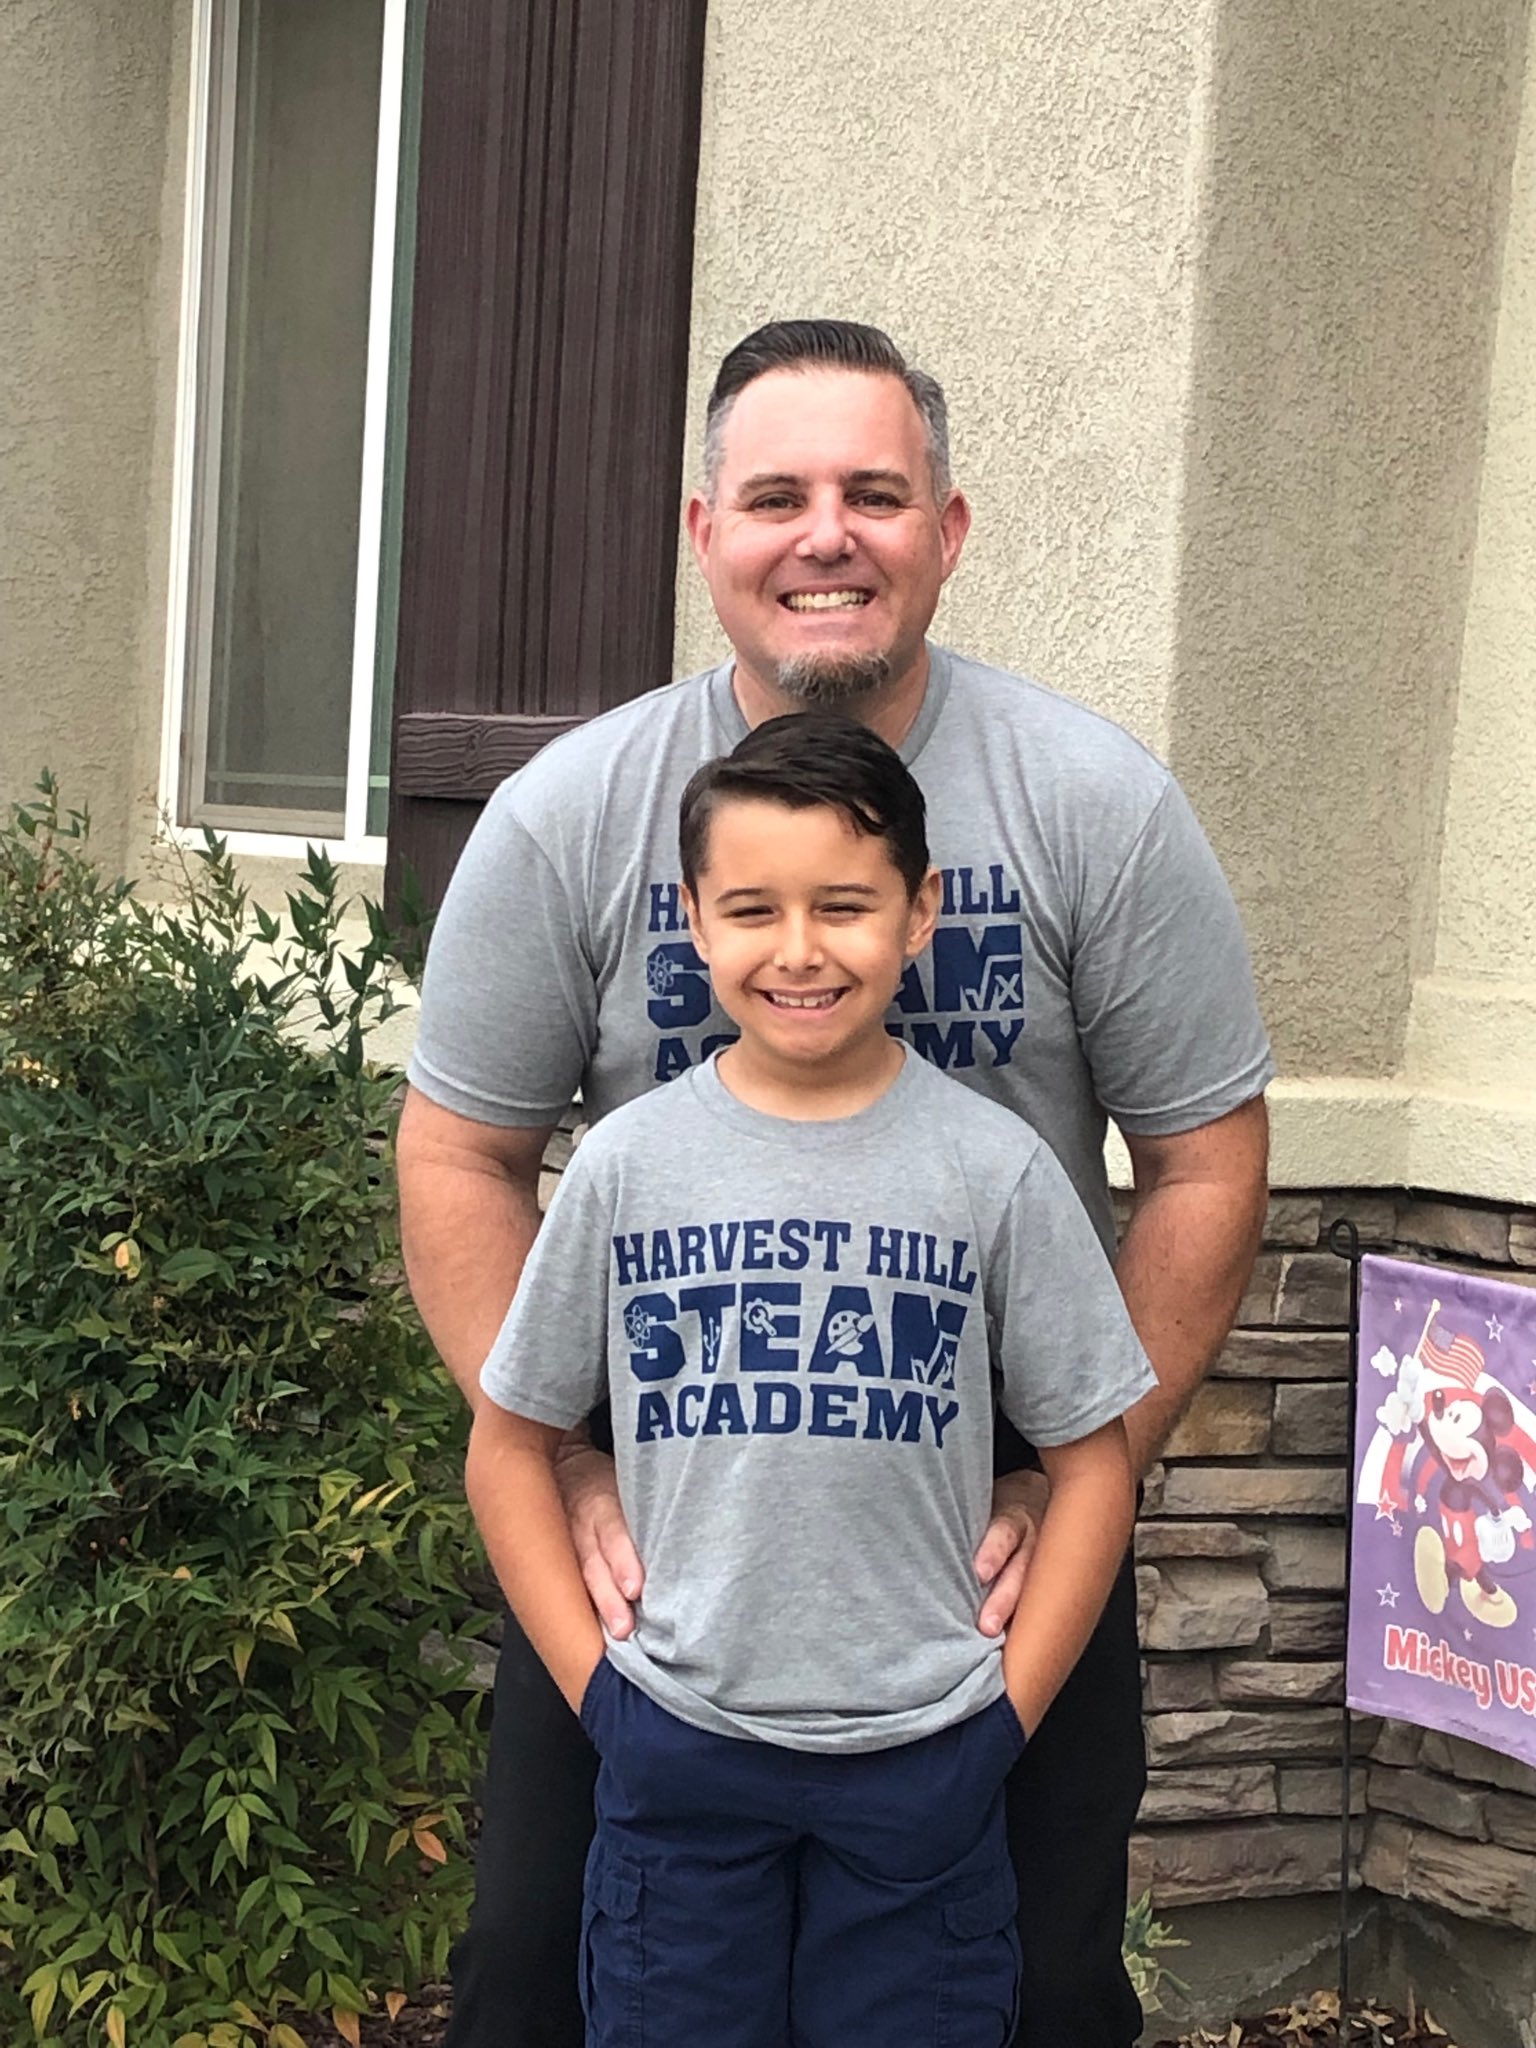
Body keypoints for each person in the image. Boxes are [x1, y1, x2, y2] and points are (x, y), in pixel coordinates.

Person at [398, 317, 1273, 2048]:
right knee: (540, 1981)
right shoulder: (572, 815)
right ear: (703, 531)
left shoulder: (1093, 804)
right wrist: (564, 1459)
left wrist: (1074, 1480)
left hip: (986, 1505)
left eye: (875, 495)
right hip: (671, 1504)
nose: (827, 537)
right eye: (778, 497)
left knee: (1028, 1993)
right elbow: (459, 1152)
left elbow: (1202, 1161)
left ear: (946, 531)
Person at [465, 712, 1158, 2046]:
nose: (799, 949)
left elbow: (1093, 1464)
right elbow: (508, 1447)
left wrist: (1001, 1722)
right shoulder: (623, 1168)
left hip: (926, 1760)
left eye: (844, 905)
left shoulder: (995, 1170)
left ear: (920, 912)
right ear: (692, 921)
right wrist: (604, 1699)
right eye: (752, 909)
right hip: (677, 1751)